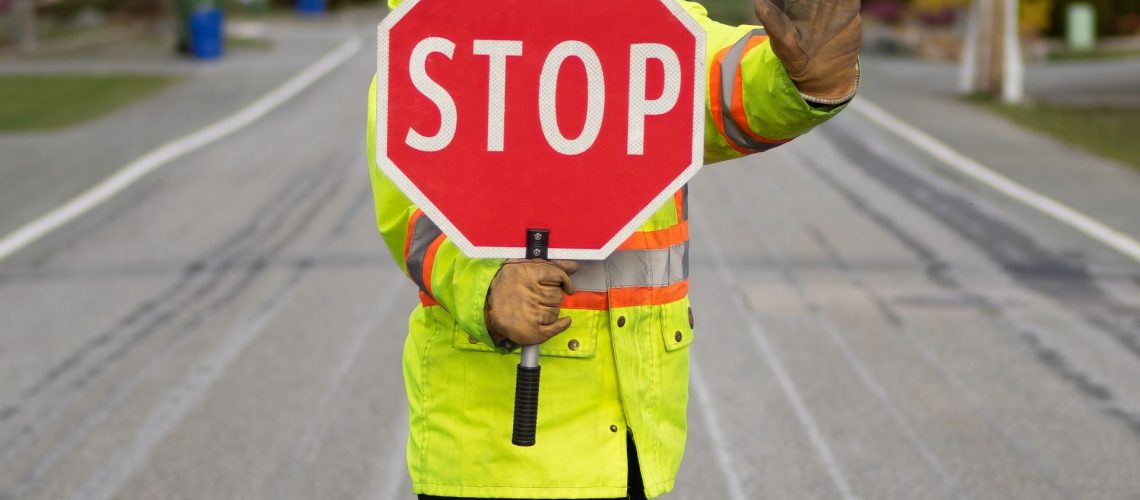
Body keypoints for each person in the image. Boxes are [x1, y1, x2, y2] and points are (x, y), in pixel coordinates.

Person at [366, 0, 860, 498]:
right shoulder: (440, 32)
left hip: (632, 436)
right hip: (492, 451)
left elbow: (726, 80)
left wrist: (805, 79)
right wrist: (488, 288)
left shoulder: (647, 26)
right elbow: (414, 217)